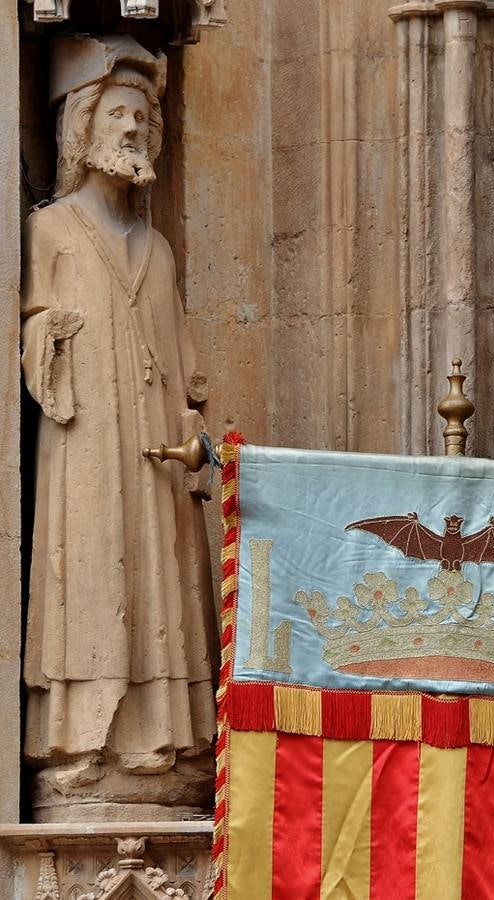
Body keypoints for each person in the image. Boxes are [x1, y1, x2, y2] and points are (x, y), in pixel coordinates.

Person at [21, 34, 216, 821]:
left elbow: (182, 358)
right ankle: (82, 745)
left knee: (158, 579)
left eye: (143, 116)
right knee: (93, 579)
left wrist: (196, 428)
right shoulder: (53, 231)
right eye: (119, 113)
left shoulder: (160, 250)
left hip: (155, 453)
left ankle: (158, 740)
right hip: (88, 445)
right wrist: (50, 337)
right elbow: (29, 328)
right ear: (83, 127)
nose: (134, 128)